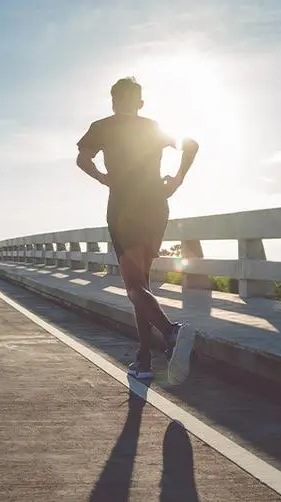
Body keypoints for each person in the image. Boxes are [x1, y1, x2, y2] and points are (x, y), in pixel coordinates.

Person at [76, 76, 199, 381]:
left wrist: (105, 178)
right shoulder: (153, 127)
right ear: (140, 103)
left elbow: (82, 159)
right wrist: (178, 179)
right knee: (141, 284)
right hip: (156, 207)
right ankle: (144, 359)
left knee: (133, 286)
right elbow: (192, 145)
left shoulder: (102, 126)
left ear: (114, 101)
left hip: (124, 209)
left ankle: (171, 334)